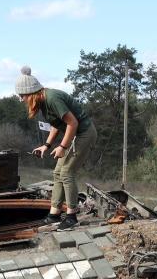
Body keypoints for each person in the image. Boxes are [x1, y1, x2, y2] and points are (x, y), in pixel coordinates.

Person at [16, 66, 97, 230]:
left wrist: (62, 146)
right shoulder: (43, 102)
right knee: (57, 172)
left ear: (30, 93)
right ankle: (54, 214)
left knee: (67, 172)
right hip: (74, 135)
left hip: (85, 133)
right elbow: (56, 124)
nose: (22, 100)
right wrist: (46, 145)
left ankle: (72, 216)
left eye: (22, 96)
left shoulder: (52, 98)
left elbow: (72, 123)